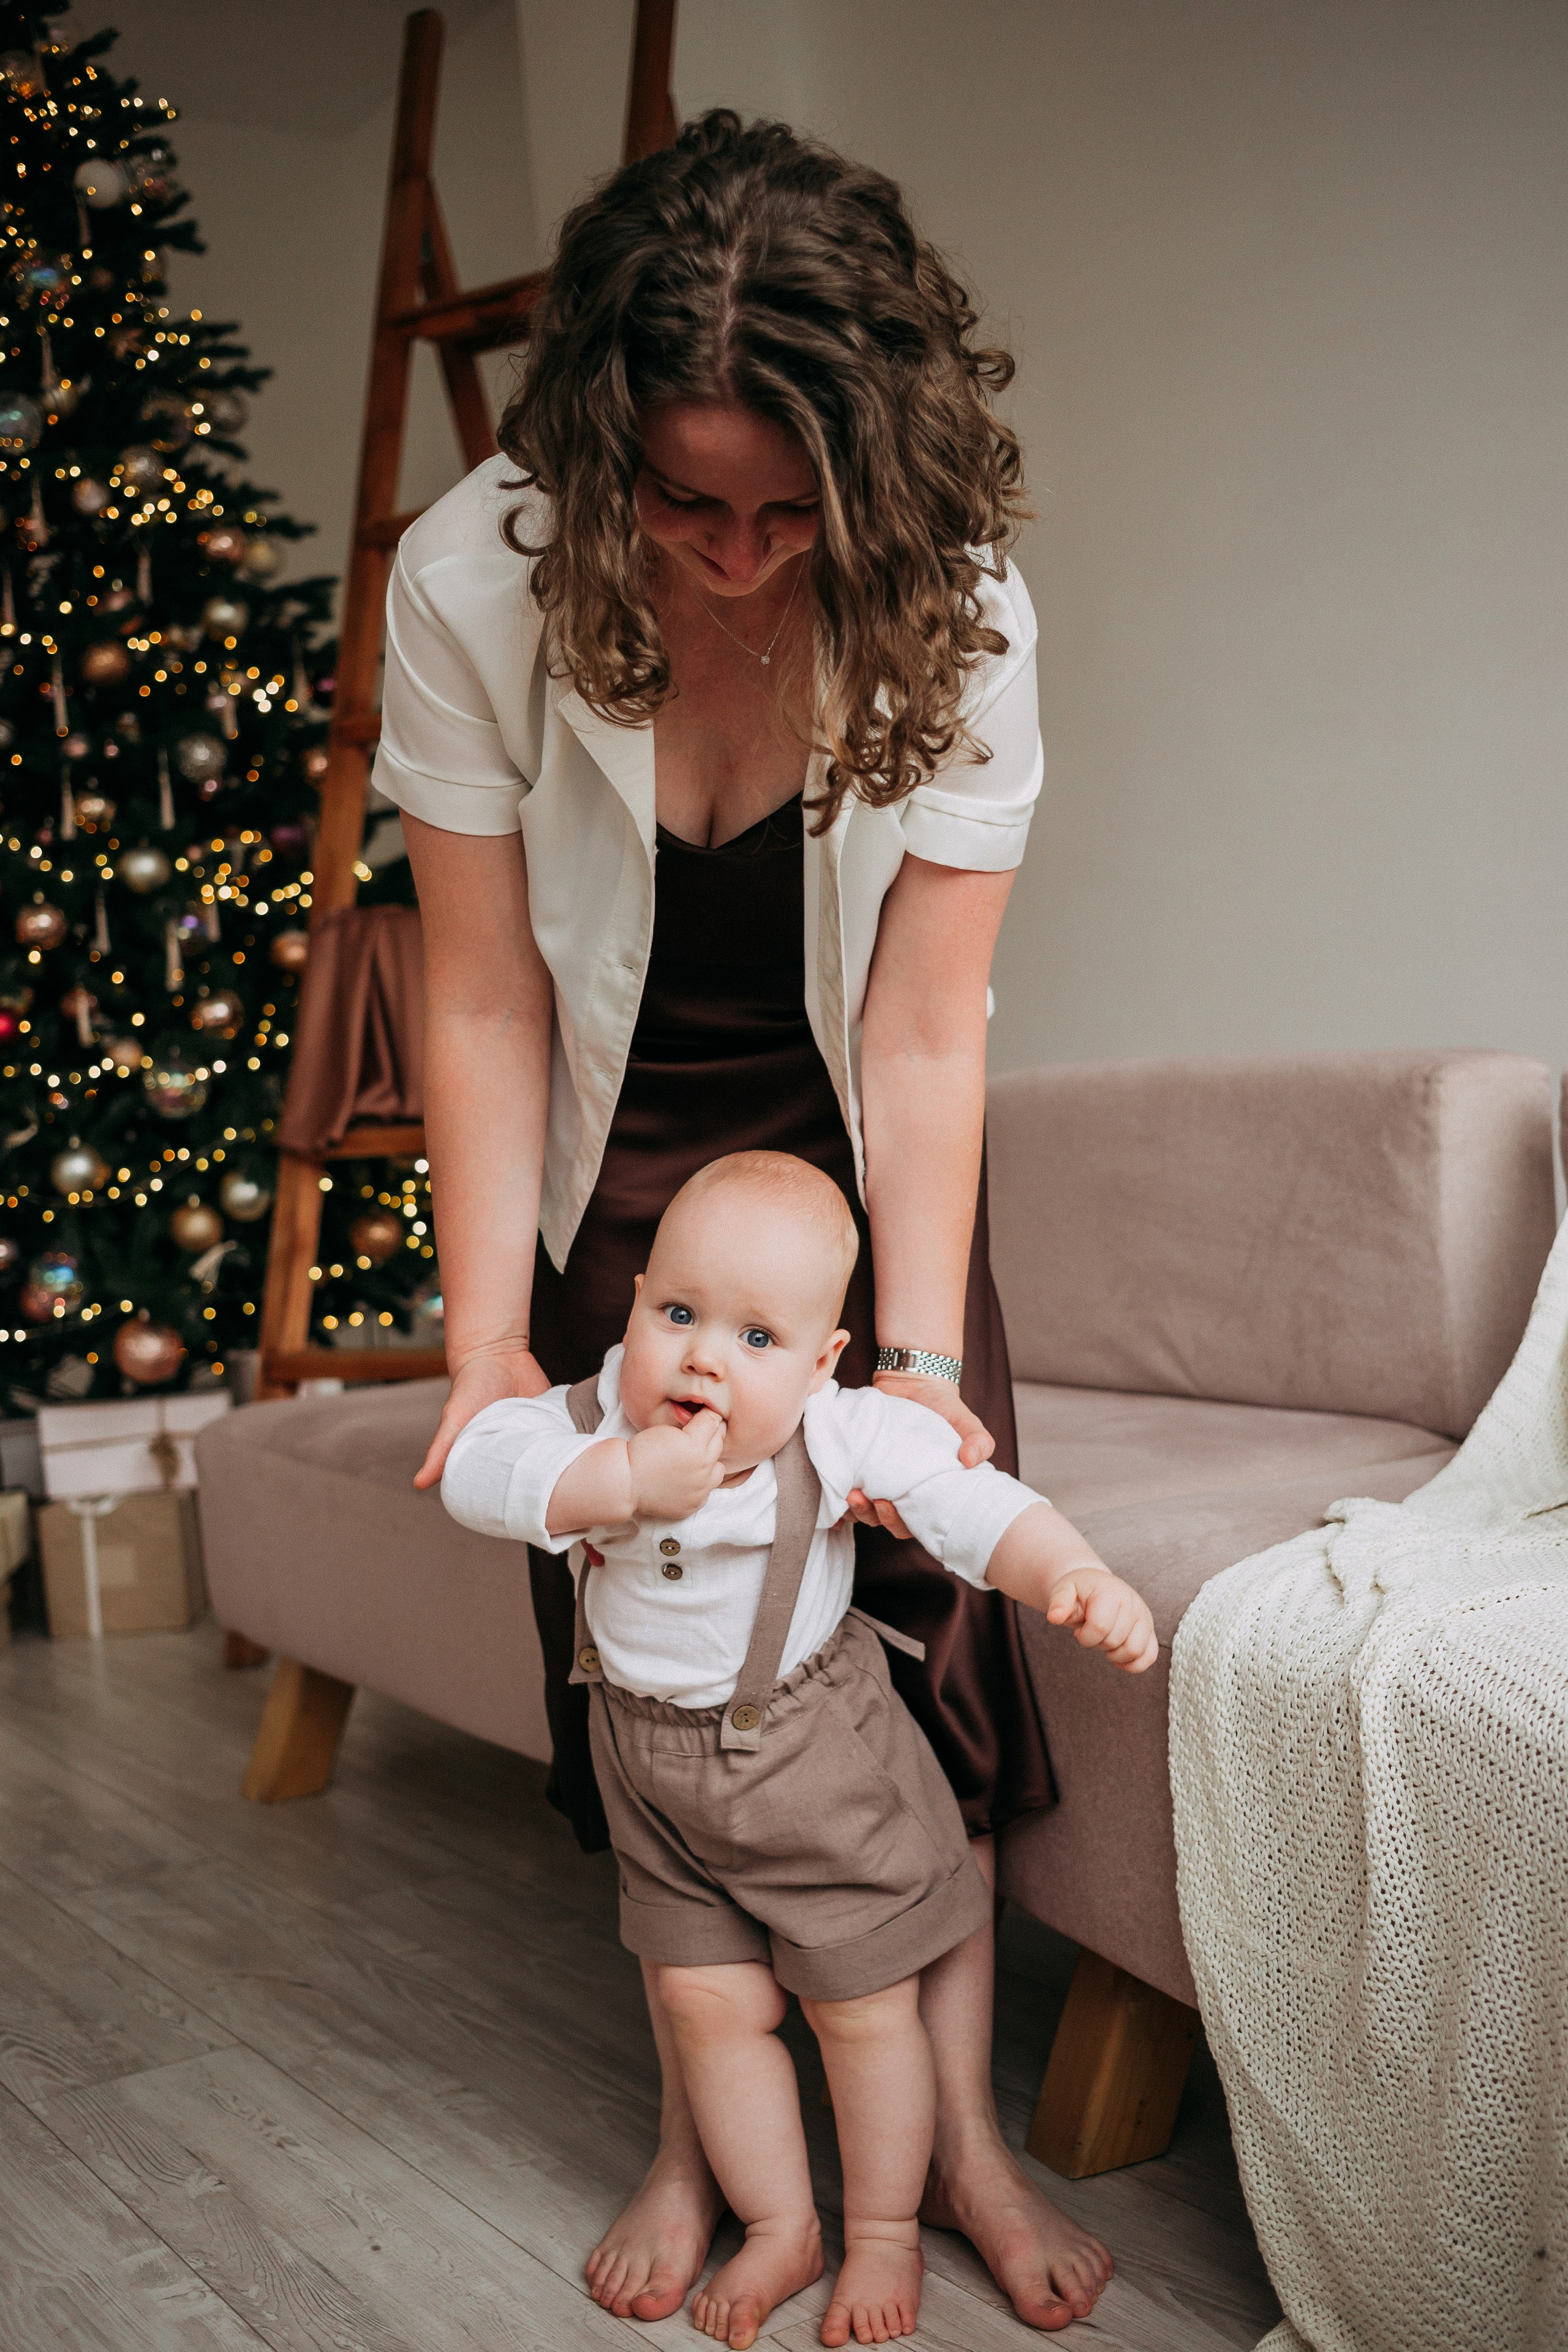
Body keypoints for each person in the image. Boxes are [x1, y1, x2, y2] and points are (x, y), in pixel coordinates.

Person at [376, 107, 1117, 2333]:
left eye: (789, 511)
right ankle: (710, 2128)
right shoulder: (473, 576)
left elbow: (925, 1024)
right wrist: (491, 1332)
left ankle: (959, 2142)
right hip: (615, 1156)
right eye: (683, 504)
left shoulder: (958, 604)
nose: (730, 555)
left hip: (849, 1159)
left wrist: (907, 1353)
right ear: (600, 459)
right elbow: (488, 993)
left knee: (934, 1632)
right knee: (640, 1631)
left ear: (872, 474)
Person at [441, 1152, 1158, 2350]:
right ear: (630, 1306)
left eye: (756, 1336)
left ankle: (881, 2226)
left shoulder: (836, 1432)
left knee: (860, 2009)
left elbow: (973, 1507)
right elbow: (475, 1468)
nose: (704, 1358)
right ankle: (782, 2224)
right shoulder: (586, 1416)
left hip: (810, 1767)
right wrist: (614, 1476)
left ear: (823, 1360)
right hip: (651, 1775)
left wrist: (1067, 1573)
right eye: (676, 1314)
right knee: (703, 2002)